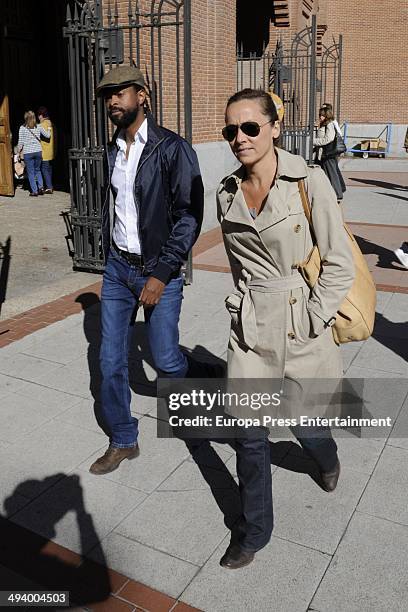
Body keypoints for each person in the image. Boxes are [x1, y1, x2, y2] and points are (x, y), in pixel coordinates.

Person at [215, 88, 354, 568]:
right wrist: (241, 308)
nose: (240, 138)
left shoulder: (307, 181)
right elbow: (237, 265)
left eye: (250, 127)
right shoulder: (226, 191)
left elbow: (340, 263)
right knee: (249, 437)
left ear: (274, 127)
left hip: (300, 321)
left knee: (305, 422)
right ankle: (254, 532)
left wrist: (314, 316)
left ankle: (325, 456)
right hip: (251, 327)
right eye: (231, 129)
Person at [89, 66, 204, 475]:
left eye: (120, 92)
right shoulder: (111, 149)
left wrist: (161, 273)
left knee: (167, 358)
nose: (113, 101)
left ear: (143, 95)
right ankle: (123, 438)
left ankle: (194, 388)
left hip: (160, 271)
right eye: (108, 95)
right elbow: (118, 208)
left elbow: (189, 215)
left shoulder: (172, 148)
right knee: (110, 360)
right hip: (119, 269)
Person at [313, 106, 346, 202]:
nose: (320, 117)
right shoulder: (323, 124)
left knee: (331, 173)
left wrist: (314, 141)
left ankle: (337, 194)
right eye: (319, 115)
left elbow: (328, 138)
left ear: (326, 115)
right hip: (323, 153)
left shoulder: (330, 124)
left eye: (321, 115)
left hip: (329, 153)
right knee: (326, 173)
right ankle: (331, 191)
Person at [17, 111, 50, 196]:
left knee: (31, 172)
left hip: (28, 153)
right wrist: (49, 128)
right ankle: (41, 187)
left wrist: (18, 152)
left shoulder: (22, 128)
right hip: (38, 151)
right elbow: (47, 136)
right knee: (38, 170)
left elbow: (20, 143)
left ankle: (34, 191)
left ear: (25, 118)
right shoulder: (39, 126)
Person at [38, 106, 55, 194]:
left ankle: (49, 187)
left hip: (45, 151)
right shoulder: (51, 123)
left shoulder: (42, 124)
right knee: (49, 169)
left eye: (39, 115)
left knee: (44, 169)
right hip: (51, 151)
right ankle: (50, 185)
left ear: (41, 115)